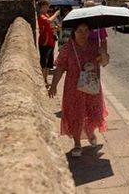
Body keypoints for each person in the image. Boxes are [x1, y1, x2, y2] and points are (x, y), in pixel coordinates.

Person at [48, 21, 109, 158]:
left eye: (86, 30)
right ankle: (77, 143)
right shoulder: (68, 48)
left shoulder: (94, 46)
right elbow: (60, 68)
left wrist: (104, 54)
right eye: (80, 31)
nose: (83, 34)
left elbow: (104, 63)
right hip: (73, 89)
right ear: (74, 32)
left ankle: (90, 132)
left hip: (91, 86)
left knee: (92, 112)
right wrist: (53, 85)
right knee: (75, 114)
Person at [37, 0, 60, 87]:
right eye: (46, 5)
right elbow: (49, 21)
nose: (48, 7)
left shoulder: (46, 15)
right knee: (44, 63)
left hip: (50, 42)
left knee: (48, 64)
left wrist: (56, 28)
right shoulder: (41, 16)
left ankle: (45, 80)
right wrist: (56, 14)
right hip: (45, 42)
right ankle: (43, 81)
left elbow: (50, 25)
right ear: (42, 6)